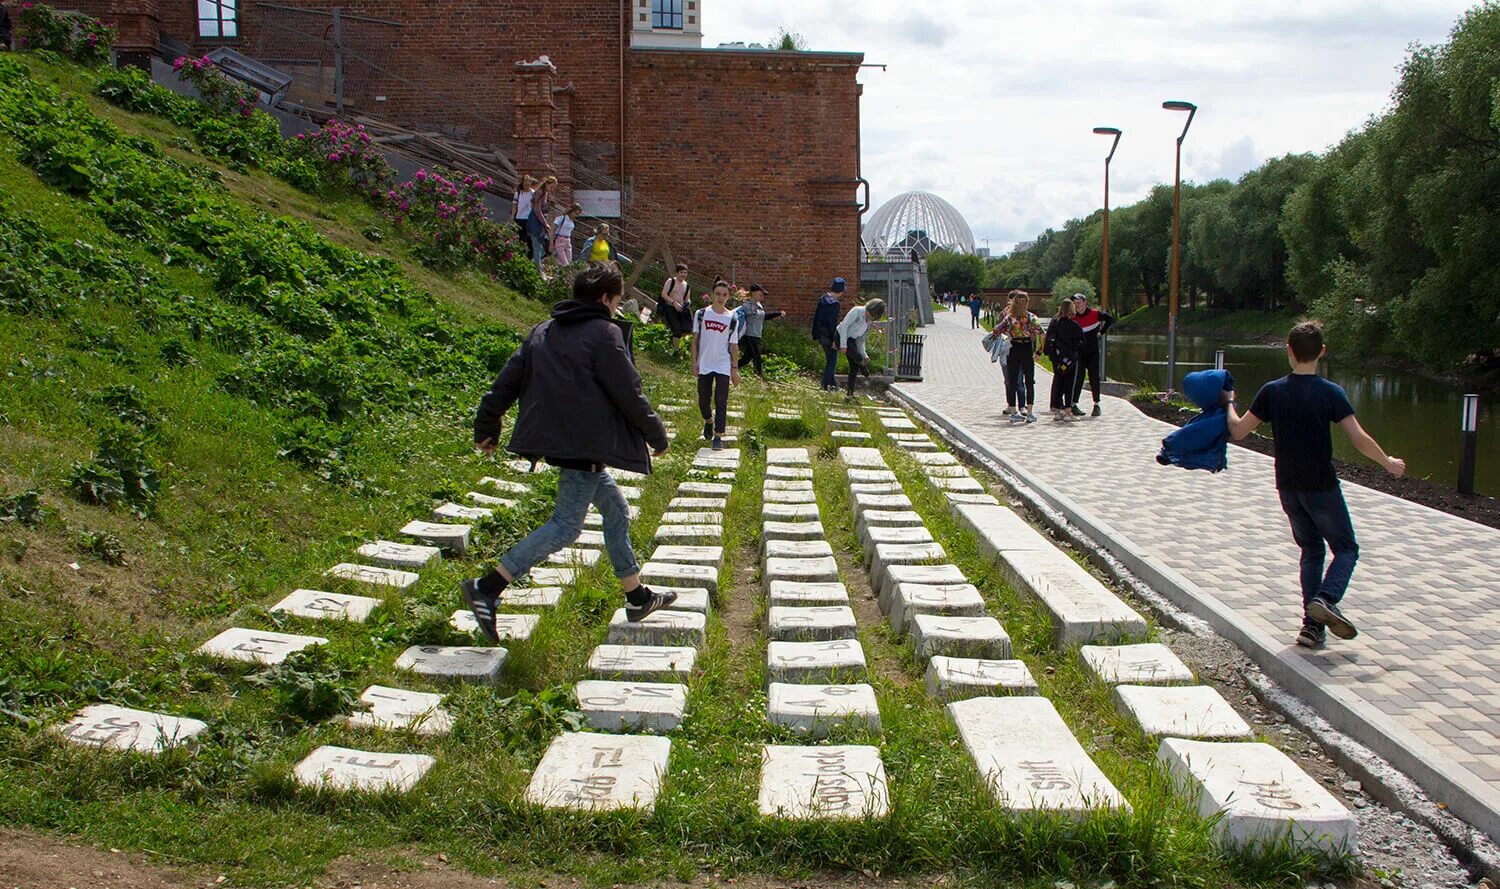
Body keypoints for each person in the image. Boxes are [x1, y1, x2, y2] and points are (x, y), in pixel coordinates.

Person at [461, 262, 675, 639]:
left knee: (616, 511)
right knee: (565, 527)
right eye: (618, 300)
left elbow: (506, 380)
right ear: (606, 298)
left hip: (562, 438)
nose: (617, 308)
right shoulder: (604, 333)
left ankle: (637, 596)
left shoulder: (544, 330)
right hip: (584, 442)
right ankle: (488, 587)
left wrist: (487, 425)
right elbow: (628, 391)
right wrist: (656, 435)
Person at [1226, 320, 1405, 649]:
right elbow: (1359, 438)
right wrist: (1388, 463)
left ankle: (1311, 629)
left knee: (1311, 550)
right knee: (1347, 548)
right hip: (1321, 487)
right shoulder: (1330, 393)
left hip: (1288, 488)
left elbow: (1238, 431)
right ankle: (1326, 598)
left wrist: (1227, 401)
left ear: (1289, 352)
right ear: (1321, 352)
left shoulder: (1272, 391)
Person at [692, 280, 741, 450]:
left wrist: (734, 369)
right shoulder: (701, 314)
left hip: (722, 363)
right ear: (712, 294)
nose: (721, 298)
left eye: (724, 295)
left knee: (721, 400)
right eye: (718, 294)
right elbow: (695, 340)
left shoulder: (732, 318)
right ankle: (708, 421)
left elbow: (734, 345)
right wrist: (694, 361)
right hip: (705, 362)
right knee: (703, 400)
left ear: (728, 296)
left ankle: (718, 435)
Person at [997, 291, 1042, 423]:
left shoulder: (1009, 318)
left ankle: (1012, 410)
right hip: (1027, 348)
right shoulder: (1032, 318)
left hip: (1014, 348)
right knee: (1029, 380)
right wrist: (1039, 351)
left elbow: (997, 330)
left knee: (1012, 380)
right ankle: (1029, 411)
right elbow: (1042, 334)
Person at [1070, 293, 1115, 416]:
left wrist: (1102, 332)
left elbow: (1110, 319)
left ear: (1085, 303)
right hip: (1079, 353)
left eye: (1078, 303)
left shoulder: (1095, 314)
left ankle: (1096, 404)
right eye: (1074, 303)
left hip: (1093, 352)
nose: (1076, 305)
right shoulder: (1072, 317)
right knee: (1078, 377)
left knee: (1094, 377)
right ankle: (1073, 404)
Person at [837, 298, 886, 402]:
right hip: (841, 335)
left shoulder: (868, 323)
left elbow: (860, 340)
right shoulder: (857, 311)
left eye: (873, 317)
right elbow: (845, 326)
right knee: (857, 358)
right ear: (868, 309)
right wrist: (843, 345)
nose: (870, 317)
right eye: (870, 314)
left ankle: (849, 395)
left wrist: (864, 355)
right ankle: (863, 367)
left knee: (854, 367)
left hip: (852, 340)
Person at [1044, 298, 1084, 422]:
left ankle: (1057, 409)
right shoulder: (1075, 325)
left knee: (1058, 382)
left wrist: (1049, 354)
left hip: (1057, 359)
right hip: (1070, 360)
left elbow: (1048, 339)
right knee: (1070, 384)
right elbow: (1081, 343)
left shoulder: (1055, 323)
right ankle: (1068, 409)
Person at [736, 284, 783, 377]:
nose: (762, 297)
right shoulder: (747, 305)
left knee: (746, 359)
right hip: (749, 334)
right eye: (760, 295)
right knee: (756, 356)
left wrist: (777, 314)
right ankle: (759, 376)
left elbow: (763, 316)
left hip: (757, 334)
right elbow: (745, 315)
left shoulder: (759, 305)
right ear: (753, 293)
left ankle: (730, 368)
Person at [811, 278, 844, 391]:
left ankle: (834, 386)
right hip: (829, 335)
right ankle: (825, 385)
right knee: (832, 361)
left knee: (830, 359)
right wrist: (835, 339)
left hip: (821, 334)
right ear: (841, 291)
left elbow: (816, 318)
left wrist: (815, 334)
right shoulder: (834, 304)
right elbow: (832, 323)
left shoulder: (823, 299)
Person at [527, 176, 557, 273]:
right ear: (547, 184)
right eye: (551, 187)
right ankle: (538, 270)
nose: (552, 189)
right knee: (537, 246)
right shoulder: (541, 192)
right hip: (535, 221)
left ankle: (534, 264)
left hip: (539, 222)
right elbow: (537, 209)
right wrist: (545, 223)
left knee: (542, 246)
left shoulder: (545, 193)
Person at [660, 263, 694, 340]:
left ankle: (677, 345)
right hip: (670, 307)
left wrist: (688, 302)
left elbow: (687, 299)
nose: (683, 274)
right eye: (681, 272)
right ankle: (675, 349)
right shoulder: (671, 281)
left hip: (681, 309)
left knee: (688, 329)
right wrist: (674, 303)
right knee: (677, 330)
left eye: (685, 273)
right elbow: (664, 294)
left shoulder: (687, 285)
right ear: (677, 273)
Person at [512, 175, 537, 255]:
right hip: (520, 218)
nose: (527, 187)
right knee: (522, 237)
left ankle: (529, 255)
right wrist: (512, 216)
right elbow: (514, 206)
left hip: (529, 219)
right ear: (522, 184)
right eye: (525, 185)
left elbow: (534, 206)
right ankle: (521, 254)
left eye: (528, 185)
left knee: (529, 238)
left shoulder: (533, 193)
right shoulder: (518, 193)